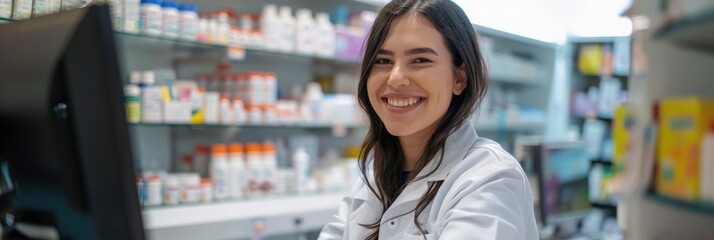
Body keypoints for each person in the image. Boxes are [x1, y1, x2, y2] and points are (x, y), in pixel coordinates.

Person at [318, 0, 538, 239]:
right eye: (383, 61)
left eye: (420, 60)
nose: (395, 78)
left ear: (459, 78)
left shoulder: (490, 177)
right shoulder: (373, 172)